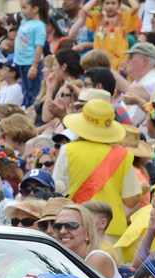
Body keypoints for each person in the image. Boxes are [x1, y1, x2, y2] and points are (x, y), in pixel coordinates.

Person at [54, 98, 141, 241]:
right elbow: (131, 200)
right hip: (111, 230)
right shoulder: (123, 155)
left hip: (74, 228)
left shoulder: (67, 150)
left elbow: (57, 191)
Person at [54, 202, 129, 278]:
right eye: (57, 227)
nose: (62, 231)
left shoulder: (97, 258)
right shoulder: (61, 260)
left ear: (87, 234)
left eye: (71, 226)